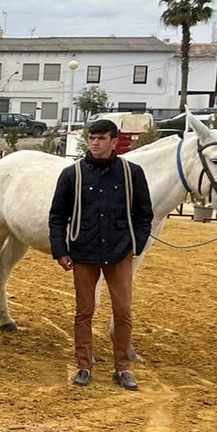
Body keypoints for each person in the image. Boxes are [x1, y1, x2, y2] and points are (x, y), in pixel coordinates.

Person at [48, 118, 153, 391]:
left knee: (123, 311)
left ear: (114, 141)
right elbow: (57, 216)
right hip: (84, 251)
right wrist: (60, 250)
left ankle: (122, 369)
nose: (95, 142)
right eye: (91, 138)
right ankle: (84, 366)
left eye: (101, 138)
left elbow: (144, 214)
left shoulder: (133, 173)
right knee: (84, 311)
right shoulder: (72, 174)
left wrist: (135, 245)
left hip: (119, 253)